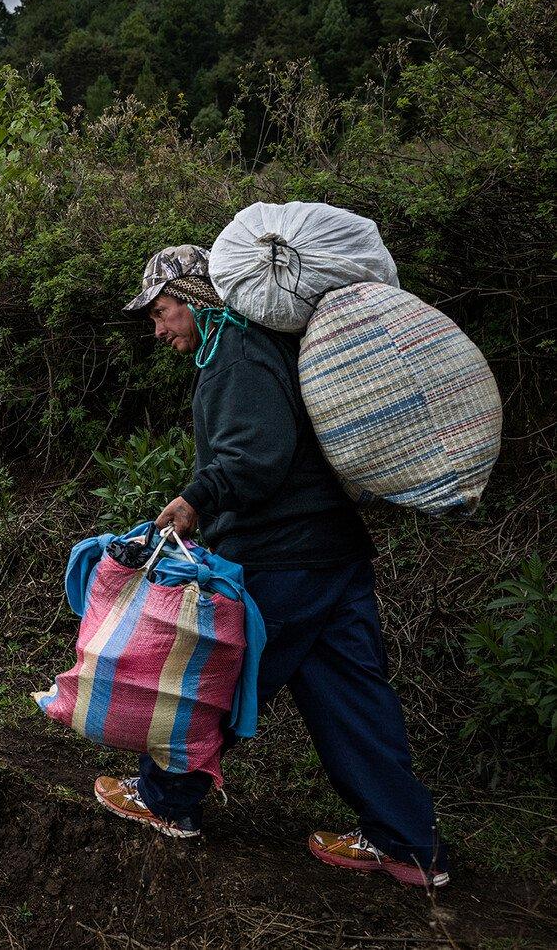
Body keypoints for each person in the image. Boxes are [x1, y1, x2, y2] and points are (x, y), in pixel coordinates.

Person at [93, 245, 449, 888]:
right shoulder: (263, 347)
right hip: (333, 553)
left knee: (214, 677)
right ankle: (407, 843)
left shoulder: (237, 355)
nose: (158, 329)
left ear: (195, 300)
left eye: (163, 312)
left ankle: (166, 800)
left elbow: (255, 458)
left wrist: (192, 502)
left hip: (282, 557)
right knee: (353, 697)